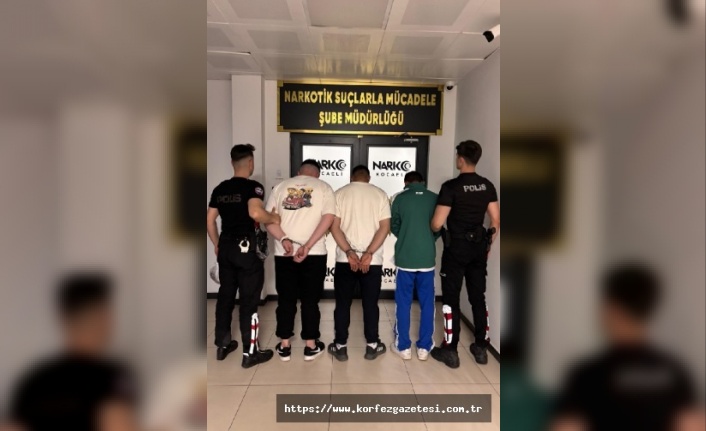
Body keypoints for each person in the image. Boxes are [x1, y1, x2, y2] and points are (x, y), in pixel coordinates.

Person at [551, 263, 705, 431]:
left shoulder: (588, 374)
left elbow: (566, 428)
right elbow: (693, 427)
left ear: (612, 308)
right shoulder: (675, 372)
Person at [4, 273, 138, 431]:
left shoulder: (33, 380)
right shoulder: (113, 375)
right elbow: (118, 426)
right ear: (103, 318)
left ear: (64, 319)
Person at [207, 144, 279, 367]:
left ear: (232, 163)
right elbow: (255, 212)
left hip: (226, 247)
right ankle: (250, 353)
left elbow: (210, 220)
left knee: (225, 297)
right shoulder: (253, 187)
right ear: (250, 163)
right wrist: (273, 218)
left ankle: (222, 345)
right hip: (246, 249)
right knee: (249, 301)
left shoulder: (220, 188)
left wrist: (217, 244)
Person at [430, 140, 499, 368]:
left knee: (451, 299)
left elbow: (437, 223)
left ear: (460, 159)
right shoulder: (487, 185)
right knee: (478, 297)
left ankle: (450, 350)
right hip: (478, 249)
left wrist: (434, 225)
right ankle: (481, 347)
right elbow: (496, 220)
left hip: (456, 250)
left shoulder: (451, 187)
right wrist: (487, 245)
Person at [265, 160, 336, 362]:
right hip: (314, 253)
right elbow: (328, 219)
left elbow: (268, 219)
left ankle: (284, 345)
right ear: (318, 174)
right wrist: (308, 246)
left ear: (298, 172)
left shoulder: (280, 187)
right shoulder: (324, 187)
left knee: (286, 298)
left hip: (284, 253)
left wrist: (284, 239)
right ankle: (310, 346)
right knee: (310, 300)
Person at [328, 165, 391, 361]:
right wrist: (369, 253)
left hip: (345, 259)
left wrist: (349, 252)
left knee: (342, 304)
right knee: (370, 304)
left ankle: (340, 346)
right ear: (369, 178)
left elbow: (334, 227)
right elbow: (384, 227)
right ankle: (372, 345)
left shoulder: (340, 194)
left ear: (351, 177)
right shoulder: (380, 194)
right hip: (372, 261)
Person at [390, 171, 440, 361]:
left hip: (405, 258)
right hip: (427, 258)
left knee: (403, 302)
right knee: (427, 304)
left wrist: (406, 236)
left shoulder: (400, 198)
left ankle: (403, 347)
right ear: (423, 182)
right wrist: (428, 239)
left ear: (406, 182)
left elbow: (394, 225)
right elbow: (438, 227)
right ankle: (424, 348)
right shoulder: (435, 198)